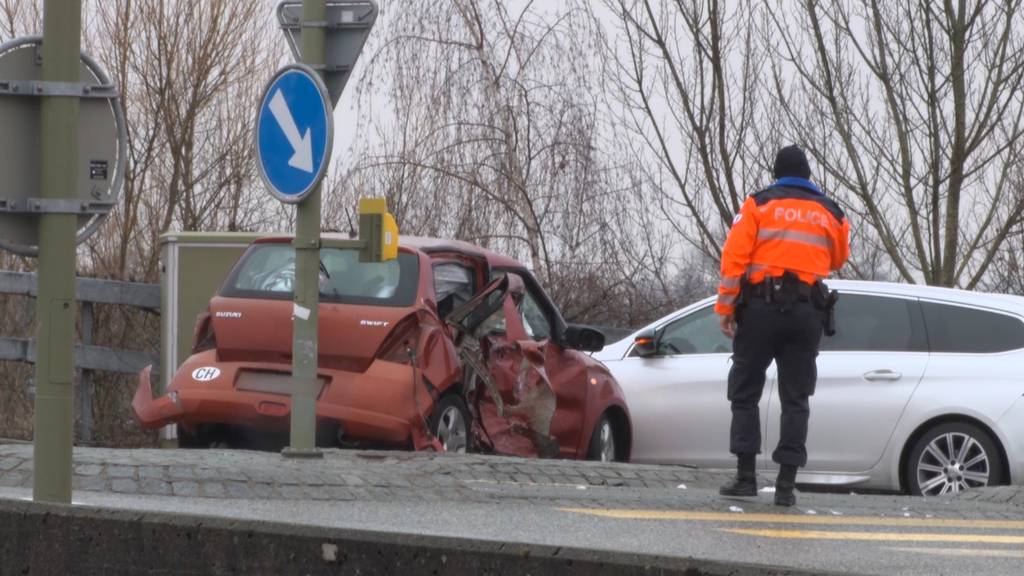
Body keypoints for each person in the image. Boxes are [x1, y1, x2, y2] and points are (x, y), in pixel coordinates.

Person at [715, 145, 850, 506]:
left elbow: (734, 260)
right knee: (796, 398)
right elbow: (838, 258)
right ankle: (787, 485)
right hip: (806, 313)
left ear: (777, 173)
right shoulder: (832, 212)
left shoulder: (758, 205)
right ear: (807, 175)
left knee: (745, 392)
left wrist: (726, 307)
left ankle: (746, 478)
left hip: (759, 309)